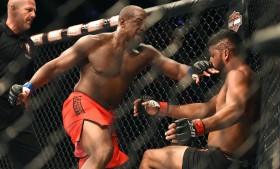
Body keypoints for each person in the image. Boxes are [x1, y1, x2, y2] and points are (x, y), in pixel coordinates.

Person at [8, 5, 219, 169]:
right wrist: (29, 86)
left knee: (109, 162)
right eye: (138, 21)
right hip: (81, 103)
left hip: (106, 114)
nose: (143, 27)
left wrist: (193, 70)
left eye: (145, 23)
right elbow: (55, 66)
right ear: (123, 22)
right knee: (102, 151)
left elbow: (174, 68)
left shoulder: (145, 53)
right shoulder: (94, 43)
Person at [133, 29, 260, 169]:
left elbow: (237, 109)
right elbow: (203, 109)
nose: (210, 60)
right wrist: (160, 108)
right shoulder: (241, 79)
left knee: (150, 157)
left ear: (225, 53)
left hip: (221, 160)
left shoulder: (237, 74)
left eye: (212, 55)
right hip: (221, 159)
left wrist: (197, 127)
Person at [0, 0, 44, 168]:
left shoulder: (29, 45)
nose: (33, 14)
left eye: (35, 10)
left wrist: (26, 106)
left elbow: (26, 80)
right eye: (29, 10)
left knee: (35, 161)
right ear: (13, 9)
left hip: (15, 116)